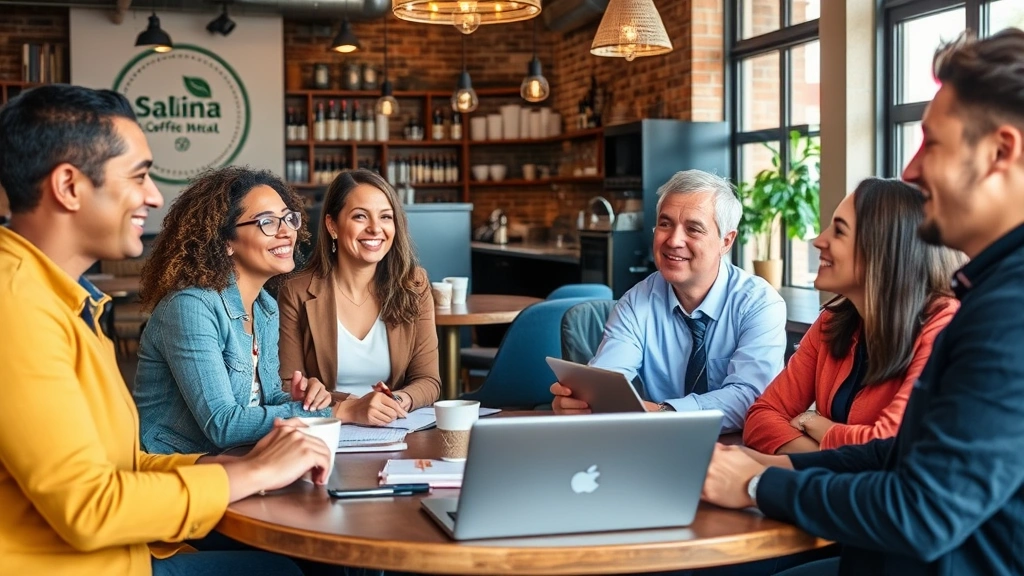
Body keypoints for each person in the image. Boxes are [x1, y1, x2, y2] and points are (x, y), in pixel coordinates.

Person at [702, 29, 1024, 575]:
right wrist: (769, 466)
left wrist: (758, 484)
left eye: (934, 143)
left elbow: (922, 512)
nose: (911, 169)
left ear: (1001, 152)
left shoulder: (1007, 313)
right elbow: (897, 455)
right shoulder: (991, 295)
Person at [0, 85, 330, 576]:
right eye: (139, 177)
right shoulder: (17, 308)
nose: (154, 197)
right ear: (69, 186)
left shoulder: (66, 301)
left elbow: (122, 464)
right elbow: (91, 508)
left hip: (132, 549)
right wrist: (259, 469)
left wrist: (234, 469)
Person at [551, 169, 788, 431]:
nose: (674, 240)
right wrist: (582, 402)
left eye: (693, 229)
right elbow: (608, 381)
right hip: (657, 446)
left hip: (740, 450)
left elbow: (751, 398)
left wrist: (667, 412)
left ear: (726, 241)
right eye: (665, 224)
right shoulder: (635, 302)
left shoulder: (760, 304)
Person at [743, 178, 961, 454]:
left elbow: (891, 444)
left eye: (839, 232)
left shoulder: (942, 325)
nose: (819, 240)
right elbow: (761, 416)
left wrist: (815, 424)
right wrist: (829, 458)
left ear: (883, 249)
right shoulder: (833, 321)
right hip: (836, 490)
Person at [133, 166, 342, 455]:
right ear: (226, 241)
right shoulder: (191, 308)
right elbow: (223, 424)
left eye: (288, 218)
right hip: (177, 472)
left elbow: (257, 400)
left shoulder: (265, 308)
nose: (286, 232)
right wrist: (328, 413)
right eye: (267, 222)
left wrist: (304, 400)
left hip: (238, 461)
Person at [278, 169, 440, 426]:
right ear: (332, 225)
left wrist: (396, 401)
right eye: (360, 216)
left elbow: (429, 381)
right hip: (327, 432)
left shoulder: (414, 285)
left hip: (394, 429)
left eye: (386, 217)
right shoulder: (296, 291)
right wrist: (353, 405)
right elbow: (288, 385)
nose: (375, 228)